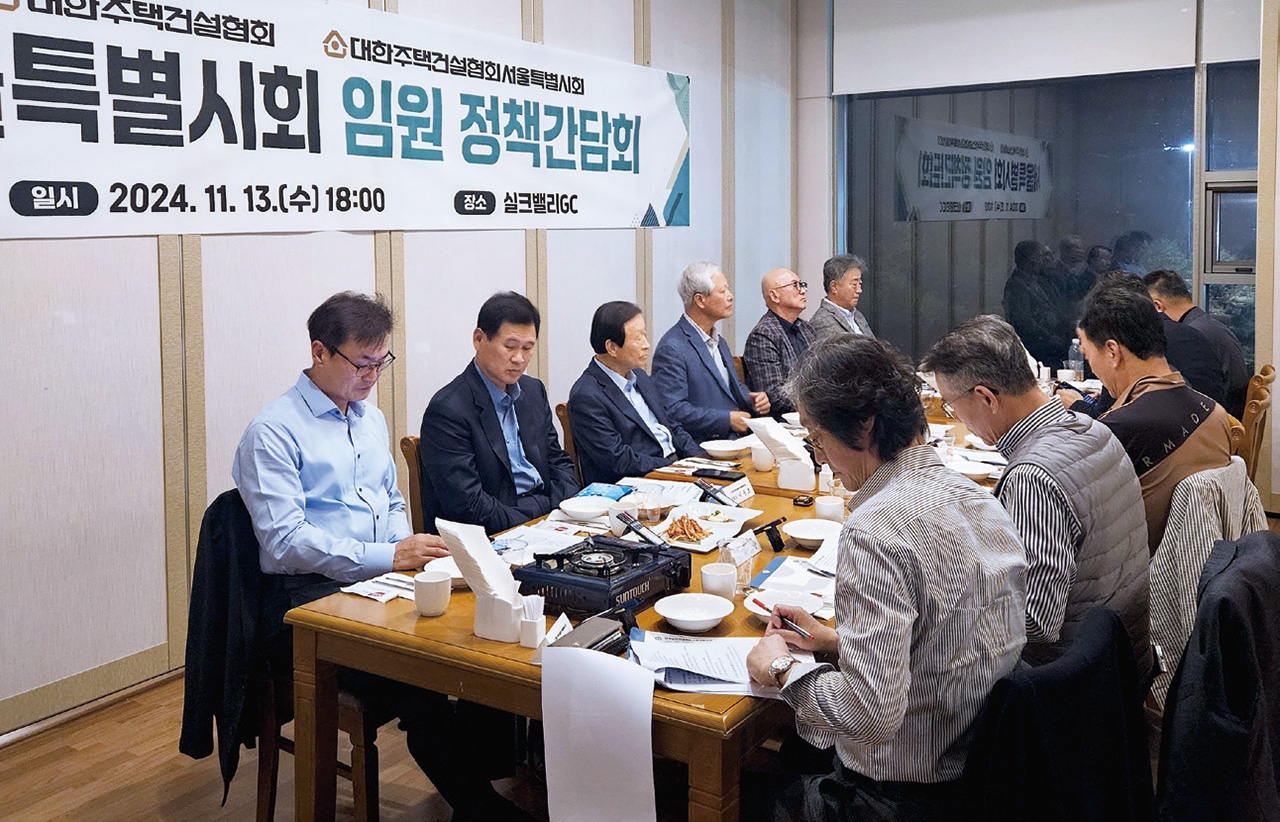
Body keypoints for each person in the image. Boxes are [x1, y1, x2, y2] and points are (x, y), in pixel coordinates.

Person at [233, 291, 527, 820]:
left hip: (376, 580)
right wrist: (388, 555)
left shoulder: (369, 418)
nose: (372, 376)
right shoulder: (273, 432)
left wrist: (405, 554)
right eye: (362, 364)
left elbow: (391, 500)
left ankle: (502, 771)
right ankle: (480, 806)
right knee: (420, 677)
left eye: (381, 362)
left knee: (477, 631)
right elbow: (286, 541)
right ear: (319, 352)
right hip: (303, 601)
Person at [744, 335, 1028, 821]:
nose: (820, 457)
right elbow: (950, 635)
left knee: (735, 792)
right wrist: (836, 641)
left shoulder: (874, 530)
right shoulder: (978, 497)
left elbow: (868, 715)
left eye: (817, 437)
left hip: (899, 795)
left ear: (864, 424)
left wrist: (780, 668)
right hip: (981, 771)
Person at [920, 315, 1151, 672]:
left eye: (952, 404)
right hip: (1122, 658)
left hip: (1069, 681)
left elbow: (1035, 621)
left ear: (986, 397)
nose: (958, 417)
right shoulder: (1092, 428)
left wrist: (945, 582)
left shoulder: (1032, 478)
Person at [1074, 282, 1233, 553]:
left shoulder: (1115, 430)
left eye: (1088, 356)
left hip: (1141, 570)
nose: (1093, 367)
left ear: (1112, 352)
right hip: (1209, 561)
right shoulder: (1215, 413)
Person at [419, 291, 578, 535]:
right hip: (496, 532)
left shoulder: (533, 391)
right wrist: (538, 520)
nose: (519, 359)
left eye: (528, 348)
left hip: (548, 517)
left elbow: (558, 462)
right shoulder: (448, 409)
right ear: (479, 339)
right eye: (510, 346)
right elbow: (468, 505)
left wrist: (559, 511)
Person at [567, 301, 701, 485]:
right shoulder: (587, 396)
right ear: (612, 347)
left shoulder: (639, 376)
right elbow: (619, 460)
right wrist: (675, 467)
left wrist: (700, 460)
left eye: (645, 335)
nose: (647, 345)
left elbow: (671, 425)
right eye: (638, 338)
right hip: (641, 481)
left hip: (675, 469)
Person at [1057, 272, 1228, 416]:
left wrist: (1075, 405)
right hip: (1212, 417)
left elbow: (1103, 421)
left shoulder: (1131, 341)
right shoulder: (1186, 331)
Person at [651, 261, 770, 441]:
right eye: (722, 291)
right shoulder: (672, 348)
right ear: (700, 300)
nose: (730, 296)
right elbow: (672, 409)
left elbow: (729, 387)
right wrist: (726, 420)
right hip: (703, 446)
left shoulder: (719, 340)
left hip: (735, 440)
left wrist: (752, 399)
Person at [1145, 269, 1250, 419]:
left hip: (1222, 418)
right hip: (1232, 411)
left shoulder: (1190, 336)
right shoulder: (1206, 324)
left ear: (1157, 307)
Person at [742, 268, 816, 417]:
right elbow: (774, 395)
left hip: (814, 415)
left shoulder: (808, 329)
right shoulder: (763, 335)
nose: (802, 291)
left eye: (802, 285)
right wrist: (821, 404)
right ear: (775, 296)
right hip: (783, 421)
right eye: (795, 285)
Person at [1003, 239, 1071, 368]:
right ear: (1030, 259)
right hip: (1036, 344)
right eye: (1040, 257)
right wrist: (1049, 337)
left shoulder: (1040, 280)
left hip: (1050, 340)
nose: (1043, 261)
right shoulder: (1017, 284)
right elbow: (1024, 319)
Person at [809, 254, 875, 339]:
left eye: (860, 284)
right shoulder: (821, 322)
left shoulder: (858, 315)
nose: (859, 290)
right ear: (834, 287)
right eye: (854, 284)